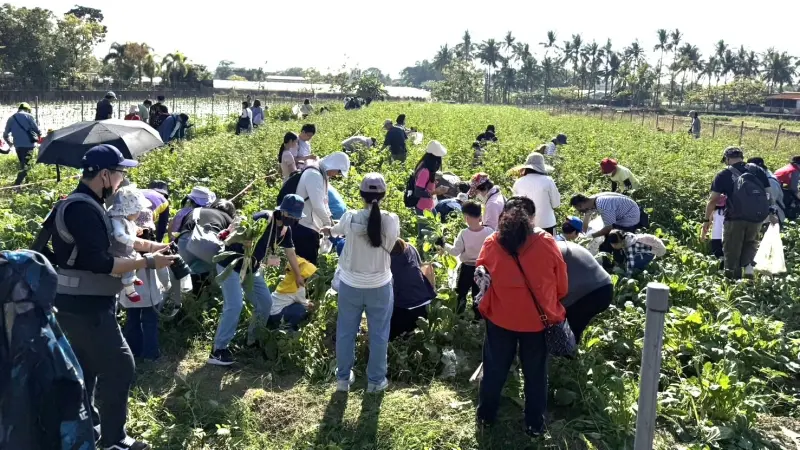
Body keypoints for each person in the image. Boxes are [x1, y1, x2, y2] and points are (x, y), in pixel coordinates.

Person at [46, 144, 175, 450]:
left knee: (88, 366)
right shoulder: (83, 209)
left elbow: (116, 246)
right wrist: (147, 263)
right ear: (104, 175)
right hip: (84, 305)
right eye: (120, 173)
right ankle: (114, 440)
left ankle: (86, 428)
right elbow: (101, 263)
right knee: (120, 365)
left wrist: (151, 249)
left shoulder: (88, 205)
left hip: (81, 302)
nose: (121, 181)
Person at [475, 196, 568, 437]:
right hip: (537, 322)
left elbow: (482, 278)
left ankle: (486, 416)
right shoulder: (546, 242)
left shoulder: (491, 242)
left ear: (503, 216)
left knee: (494, 368)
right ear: (532, 218)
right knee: (535, 373)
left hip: (500, 318)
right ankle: (534, 425)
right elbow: (562, 286)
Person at [322, 173, 400, 393]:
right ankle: (376, 381)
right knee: (379, 334)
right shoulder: (391, 219)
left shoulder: (350, 217)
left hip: (350, 285)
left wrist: (328, 229)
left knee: (346, 332)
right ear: (383, 195)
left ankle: (343, 380)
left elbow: (336, 231)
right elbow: (392, 241)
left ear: (361, 195)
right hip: (380, 285)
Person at [211, 195, 305, 365]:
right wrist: (245, 241)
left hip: (251, 270)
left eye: (297, 217)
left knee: (265, 303)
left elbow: (290, 252)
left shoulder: (285, 230)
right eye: (293, 216)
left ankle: (252, 339)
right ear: (283, 212)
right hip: (230, 266)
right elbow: (236, 233)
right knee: (234, 305)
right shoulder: (264, 218)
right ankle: (218, 350)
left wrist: (298, 276)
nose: (295, 220)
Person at [701, 147, 773, 279]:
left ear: (727, 159)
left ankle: (732, 281)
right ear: (742, 157)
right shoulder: (758, 170)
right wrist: (769, 213)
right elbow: (768, 193)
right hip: (756, 217)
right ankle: (749, 270)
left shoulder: (724, 174)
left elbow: (712, 201)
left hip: (735, 218)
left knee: (732, 249)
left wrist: (707, 220)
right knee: (750, 244)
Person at [119, 202, 170, 361]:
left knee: (132, 322)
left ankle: (133, 351)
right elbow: (162, 270)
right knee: (150, 324)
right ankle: (151, 354)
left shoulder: (123, 248)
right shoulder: (153, 249)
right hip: (149, 295)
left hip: (129, 295)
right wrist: (167, 285)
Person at [293, 152, 351, 265]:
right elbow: (317, 205)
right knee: (306, 264)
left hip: (311, 225)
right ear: (334, 165)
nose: (336, 175)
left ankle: (300, 281)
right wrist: (327, 223)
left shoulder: (321, 174)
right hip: (304, 225)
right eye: (338, 172)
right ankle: (298, 282)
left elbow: (324, 202)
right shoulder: (314, 175)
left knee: (308, 263)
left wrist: (330, 220)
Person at [441, 201, 494, 315]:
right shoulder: (489, 232)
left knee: (461, 293)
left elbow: (455, 251)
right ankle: (478, 317)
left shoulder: (464, 233)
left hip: (467, 268)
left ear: (466, 217)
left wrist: (444, 245)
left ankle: (458, 315)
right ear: (480, 216)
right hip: (483, 269)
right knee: (479, 293)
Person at [557, 241, 613, 344]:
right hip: (605, 285)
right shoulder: (559, 244)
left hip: (590, 293)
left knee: (570, 327)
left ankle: (568, 354)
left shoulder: (550, 252)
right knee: (573, 324)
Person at [108, 186, 151, 304]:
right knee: (129, 264)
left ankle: (132, 278)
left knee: (136, 258)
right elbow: (119, 235)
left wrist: (137, 229)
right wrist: (133, 241)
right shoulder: (117, 220)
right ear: (130, 209)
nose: (139, 213)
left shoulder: (126, 219)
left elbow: (129, 227)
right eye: (138, 210)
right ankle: (129, 290)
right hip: (119, 251)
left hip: (127, 250)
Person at [389, 239, 435, 340]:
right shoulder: (410, 247)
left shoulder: (387, 258)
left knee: (392, 336)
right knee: (416, 336)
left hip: (405, 304)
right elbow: (420, 266)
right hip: (424, 299)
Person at [512, 152, 559, 234]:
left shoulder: (518, 182)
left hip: (526, 225)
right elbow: (556, 204)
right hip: (547, 224)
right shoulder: (548, 180)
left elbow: (515, 206)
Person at [269, 256, 316, 331]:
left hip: (269, 311)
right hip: (276, 315)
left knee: (295, 304)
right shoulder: (299, 288)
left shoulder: (287, 280)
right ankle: (287, 328)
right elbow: (305, 304)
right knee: (300, 309)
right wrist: (312, 305)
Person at [3, 102, 41, 186]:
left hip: (18, 146)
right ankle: (17, 184)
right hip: (29, 145)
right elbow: (37, 130)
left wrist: (10, 143)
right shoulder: (29, 116)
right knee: (27, 166)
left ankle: (27, 183)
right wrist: (40, 137)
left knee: (23, 165)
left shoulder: (11, 118)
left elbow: (5, 135)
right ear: (27, 109)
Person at [413, 141, 448, 215]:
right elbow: (418, 192)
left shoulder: (425, 166)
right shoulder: (425, 171)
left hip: (429, 204)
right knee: (425, 226)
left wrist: (432, 183)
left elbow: (423, 184)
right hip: (423, 207)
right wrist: (435, 191)